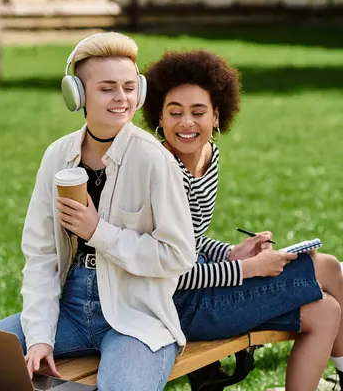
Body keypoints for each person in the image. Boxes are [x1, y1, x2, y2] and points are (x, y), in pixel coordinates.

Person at [0, 32, 196, 390]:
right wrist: (40, 334)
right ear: (78, 94)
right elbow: (41, 253)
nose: (122, 98)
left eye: (130, 87)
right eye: (107, 88)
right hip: (68, 307)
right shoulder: (57, 155)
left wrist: (98, 231)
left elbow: (179, 255)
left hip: (135, 316)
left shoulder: (154, 160)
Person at [142, 49, 343, 390]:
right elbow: (167, 271)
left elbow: (191, 238)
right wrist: (249, 269)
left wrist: (232, 253)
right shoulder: (160, 171)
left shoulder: (208, 155)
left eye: (198, 112)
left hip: (206, 287)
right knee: (328, 268)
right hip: (178, 306)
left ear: (217, 116)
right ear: (159, 118)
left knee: (325, 312)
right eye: (174, 112)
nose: (186, 123)